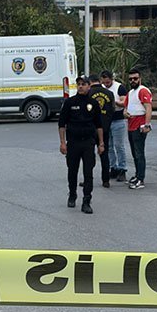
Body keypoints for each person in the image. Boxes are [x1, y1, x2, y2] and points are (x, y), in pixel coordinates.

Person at [58, 77, 105, 214]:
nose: (80, 86)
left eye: (83, 84)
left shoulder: (93, 103)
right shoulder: (70, 102)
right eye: (78, 84)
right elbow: (62, 124)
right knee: (72, 171)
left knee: (88, 172)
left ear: (89, 86)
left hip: (88, 142)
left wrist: (101, 143)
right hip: (73, 142)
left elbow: (99, 125)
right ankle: (72, 194)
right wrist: (62, 142)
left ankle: (86, 201)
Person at [123, 68, 153, 190]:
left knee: (139, 153)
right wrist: (125, 113)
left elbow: (148, 107)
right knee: (135, 153)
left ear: (140, 78)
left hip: (139, 126)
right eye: (130, 79)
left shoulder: (143, 91)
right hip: (131, 125)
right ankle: (137, 175)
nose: (133, 81)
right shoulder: (130, 93)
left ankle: (141, 178)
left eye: (135, 78)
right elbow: (125, 108)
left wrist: (147, 124)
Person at [87, 74, 116, 189]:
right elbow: (112, 110)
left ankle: (88, 179)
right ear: (100, 81)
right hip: (105, 129)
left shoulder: (88, 93)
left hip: (90, 128)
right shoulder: (109, 93)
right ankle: (106, 180)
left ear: (90, 82)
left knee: (89, 155)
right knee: (104, 154)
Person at [100, 70, 128, 181]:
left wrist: (113, 101)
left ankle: (122, 168)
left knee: (119, 146)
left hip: (118, 119)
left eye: (108, 82)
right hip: (106, 120)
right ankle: (113, 167)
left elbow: (124, 102)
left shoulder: (119, 87)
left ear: (112, 79)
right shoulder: (102, 88)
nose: (106, 85)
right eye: (104, 82)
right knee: (109, 146)